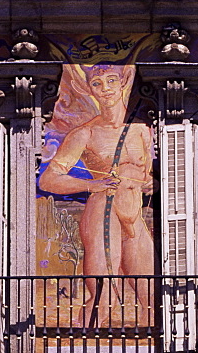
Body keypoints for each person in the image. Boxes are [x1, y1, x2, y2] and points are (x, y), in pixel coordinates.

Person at [40, 63, 154, 320]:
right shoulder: (85, 133)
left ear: (123, 83)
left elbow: (147, 173)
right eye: (97, 84)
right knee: (104, 295)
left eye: (112, 81)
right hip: (104, 209)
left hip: (134, 210)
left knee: (151, 295)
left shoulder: (142, 130)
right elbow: (48, 179)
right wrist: (91, 185)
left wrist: (151, 183)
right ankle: (76, 349)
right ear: (89, 90)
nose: (106, 89)